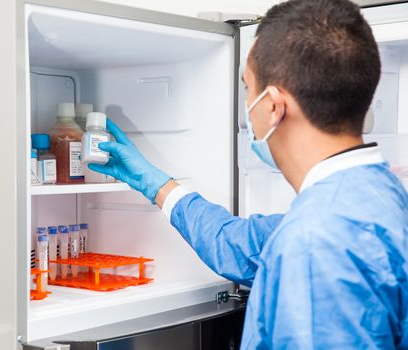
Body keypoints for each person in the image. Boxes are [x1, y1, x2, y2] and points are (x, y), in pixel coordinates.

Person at [88, 0, 408, 348]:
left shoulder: (316, 241)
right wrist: (155, 184)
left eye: (247, 88)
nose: (246, 106)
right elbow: (240, 245)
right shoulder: (378, 194)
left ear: (272, 106)